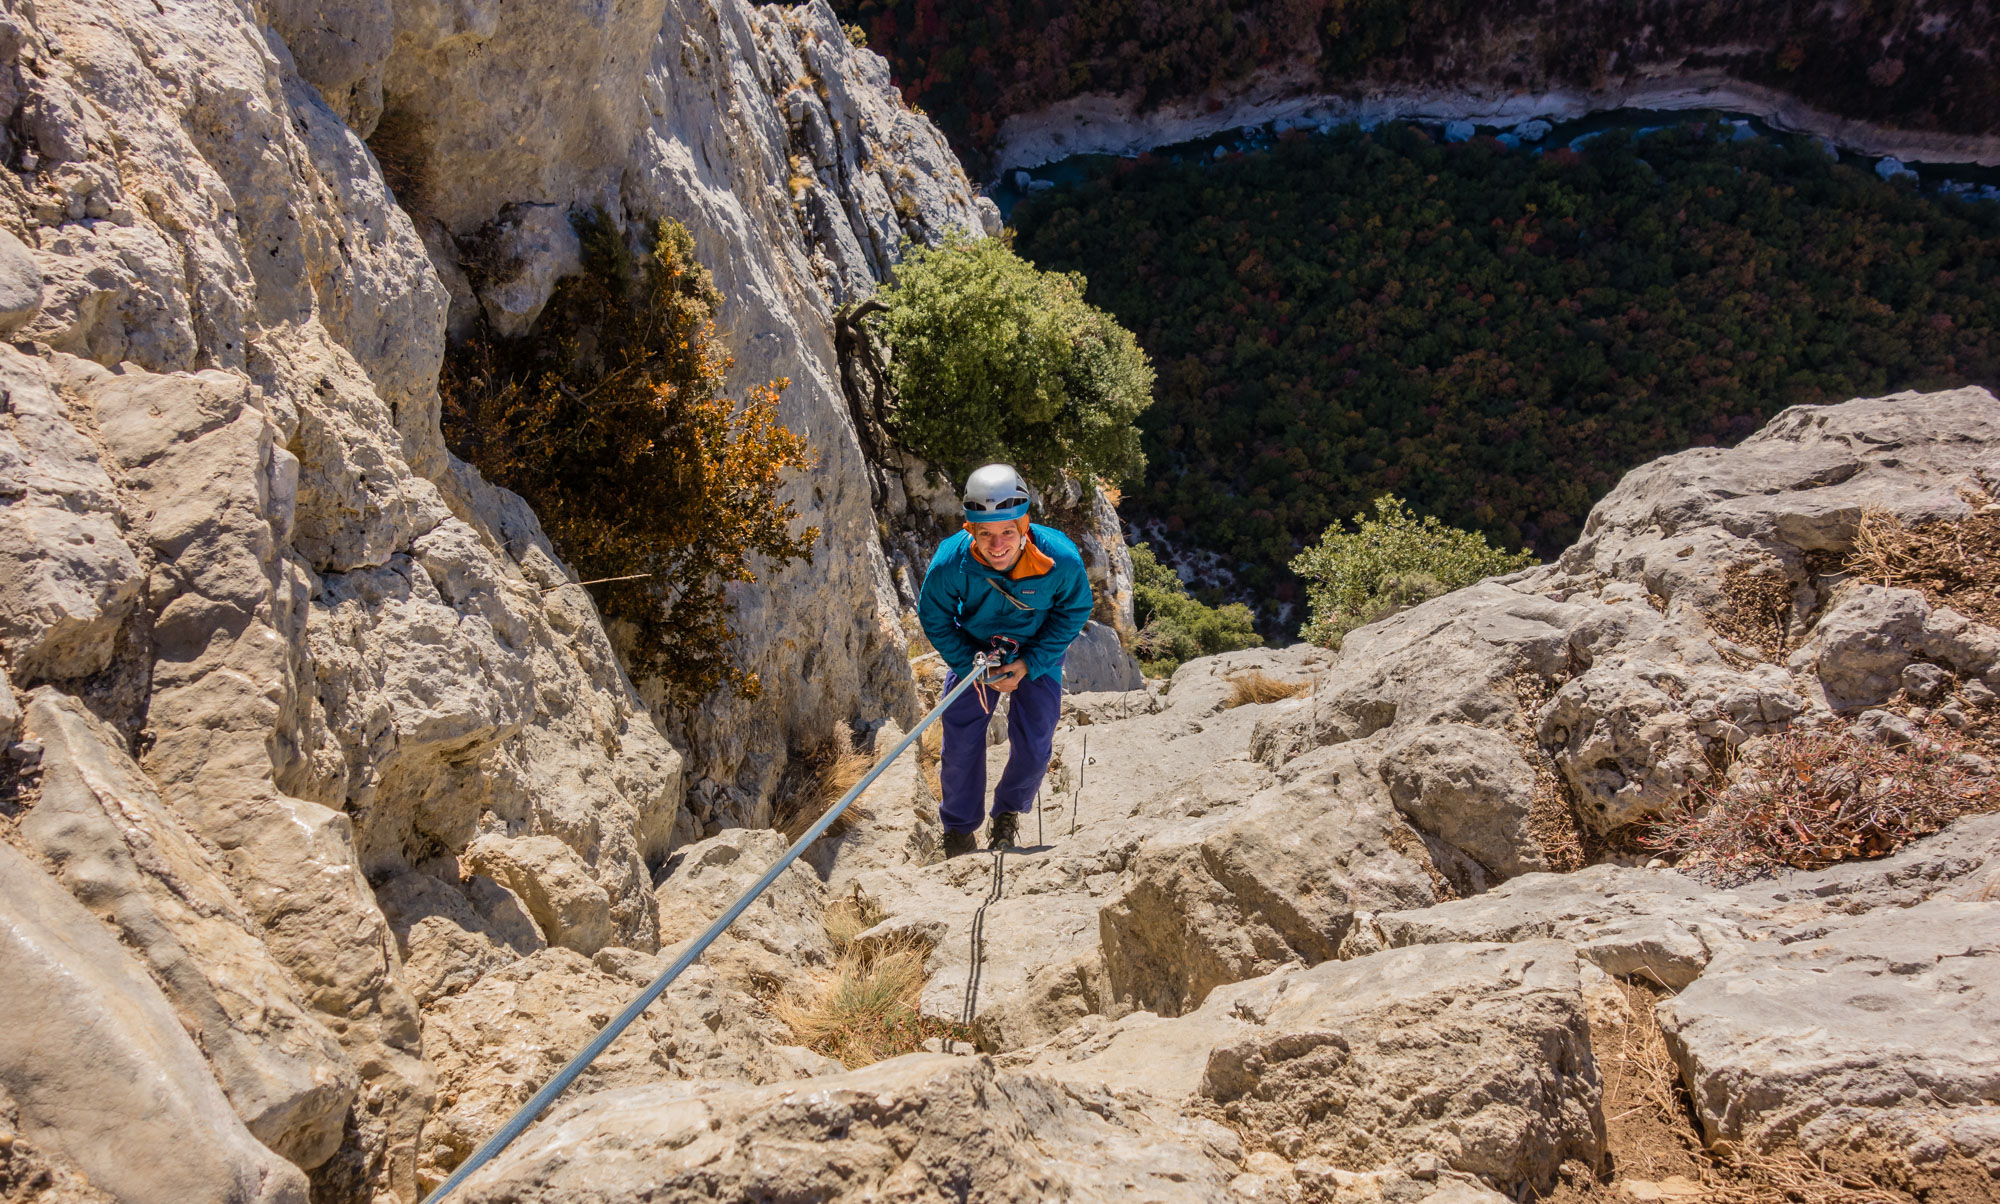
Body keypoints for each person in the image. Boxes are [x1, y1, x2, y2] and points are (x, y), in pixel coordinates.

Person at [917, 464, 1094, 855]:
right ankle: (959, 830)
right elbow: (934, 616)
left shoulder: (1059, 559)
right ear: (971, 530)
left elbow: (1075, 609)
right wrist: (969, 666)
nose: (997, 545)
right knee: (961, 741)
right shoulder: (951, 562)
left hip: (1037, 652)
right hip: (977, 656)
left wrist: (1032, 662)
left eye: (1007, 533)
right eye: (985, 534)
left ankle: (1008, 813)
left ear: (1024, 526)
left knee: (1035, 744)